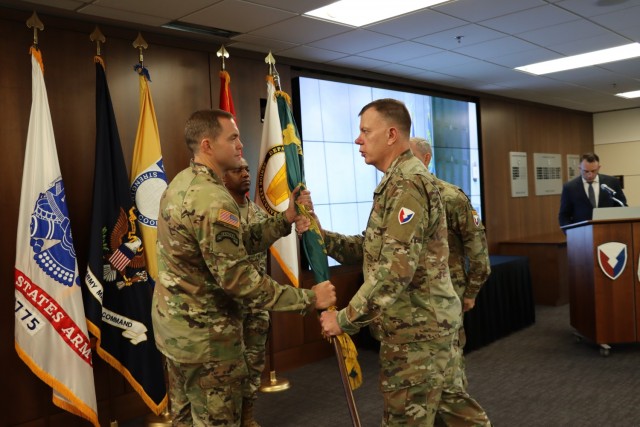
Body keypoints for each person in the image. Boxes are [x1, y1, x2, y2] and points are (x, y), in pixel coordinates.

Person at [152, 109, 336, 426]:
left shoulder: (181, 183)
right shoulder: (213, 199)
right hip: (208, 341)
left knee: (184, 420)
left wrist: (286, 218)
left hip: (176, 333)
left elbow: (239, 241)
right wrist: (309, 298)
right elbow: (239, 281)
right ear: (207, 145)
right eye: (233, 137)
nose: (240, 145)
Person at [318, 98, 489, 426]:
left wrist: (345, 319)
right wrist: (318, 236)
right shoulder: (399, 181)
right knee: (458, 415)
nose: (358, 139)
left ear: (392, 134)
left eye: (366, 131)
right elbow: (370, 250)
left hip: (417, 334)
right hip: (428, 328)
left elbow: (396, 269)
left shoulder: (406, 183)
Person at [409, 137, 491, 425]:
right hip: (411, 299)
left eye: (410, 156)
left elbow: (478, 249)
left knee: (450, 365)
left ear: (427, 159)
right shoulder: (399, 196)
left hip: (447, 294)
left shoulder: (451, 197)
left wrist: (471, 291)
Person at [223, 158, 270, 427]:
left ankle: (248, 416)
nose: (245, 174)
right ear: (223, 177)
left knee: (254, 364)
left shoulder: (259, 215)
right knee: (230, 370)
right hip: (229, 308)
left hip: (256, 306)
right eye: (237, 170)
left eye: (247, 169)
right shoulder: (220, 215)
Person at [558, 152, 627, 228]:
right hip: (582, 234)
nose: (590, 175)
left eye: (593, 171)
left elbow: (622, 206)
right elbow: (564, 215)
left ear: (599, 168)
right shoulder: (570, 187)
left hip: (609, 230)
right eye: (586, 171)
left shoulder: (612, 182)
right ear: (580, 168)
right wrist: (570, 233)